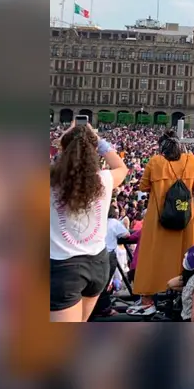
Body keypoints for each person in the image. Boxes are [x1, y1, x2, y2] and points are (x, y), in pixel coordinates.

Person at [50, 123, 128, 322]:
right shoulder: (103, 179)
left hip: (63, 268)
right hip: (97, 263)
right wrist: (97, 140)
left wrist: (65, 137)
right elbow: (121, 167)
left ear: (63, 150)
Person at [131, 131, 194, 302]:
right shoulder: (191, 160)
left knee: (152, 256)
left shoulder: (155, 162)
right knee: (185, 255)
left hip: (159, 218)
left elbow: (144, 186)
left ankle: (148, 298)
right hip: (184, 216)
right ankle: (183, 296)